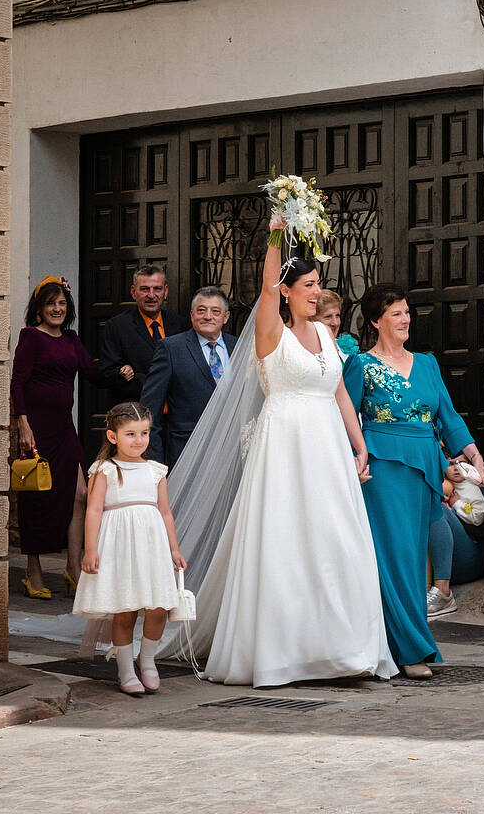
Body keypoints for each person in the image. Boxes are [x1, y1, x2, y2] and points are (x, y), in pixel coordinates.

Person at [169, 217, 397, 687]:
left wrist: (360, 446)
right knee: (288, 542)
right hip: (285, 447)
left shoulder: (328, 337)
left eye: (319, 285)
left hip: (328, 448)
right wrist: (275, 232)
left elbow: (338, 394)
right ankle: (285, 653)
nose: (318, 293)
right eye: (310, 285)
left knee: (339, 542)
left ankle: (343, 648)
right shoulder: (271, 332)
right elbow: (267, 290)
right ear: (288, 291)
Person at [346, 283, 484, 676]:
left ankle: (405, 643)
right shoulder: (361, 365)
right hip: (383, 468)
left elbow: (449, 415)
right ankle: (411, 650)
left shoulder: (427, 363)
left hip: (426, 466)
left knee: (414, 559)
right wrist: (353, 460)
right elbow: (344, 418)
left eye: (407, 311)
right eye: (396, 313)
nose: (406, 318)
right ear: (376, 321)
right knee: (394, 558)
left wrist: (475, 455)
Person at [72, 402, 185, 696]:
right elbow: (94, 511)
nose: (139, 440)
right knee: (126, 609)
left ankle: (147, 660)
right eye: (131, 434)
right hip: (119, 546)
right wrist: (90, 549)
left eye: (144, 433)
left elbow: (165, 513)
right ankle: (125, 669)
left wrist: (174, 549)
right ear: (113, 437)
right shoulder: (105, 470)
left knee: (158, 607)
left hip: (152, 546)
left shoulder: (155, 471)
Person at [12, 276, 98, 599]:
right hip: (35, 428)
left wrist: (124, 371)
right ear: (39, 309)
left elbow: (91, 372)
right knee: (35, 497)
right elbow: (17, 382)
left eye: (62, 304)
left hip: (64, 427)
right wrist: (22, 423)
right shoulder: (31, 338)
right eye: (51, 304)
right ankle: (33, 572)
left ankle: (73, 568)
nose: (57, 309)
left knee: (79, 493)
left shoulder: (72, 340)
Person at [140, 287, 237, 469]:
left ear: (225, 317)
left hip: (232, 451)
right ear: (192, 315)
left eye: (215, 311)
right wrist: (156, 462)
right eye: (201, 310)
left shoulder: (239, 347)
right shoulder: (170, 348)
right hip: (187, 451)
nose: (208, 316)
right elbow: (150, 410)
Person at [98, 265, 187, 403]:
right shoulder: (116, 327)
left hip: (176, 415)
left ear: (166, 291)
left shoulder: (181, 325)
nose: (151, 295)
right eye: (144, 289)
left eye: (157, 288)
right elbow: (107, 374)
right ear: (133, 292)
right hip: (137, 415)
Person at [427, 462, 484, 620]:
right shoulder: (442, 482)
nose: (456, 468)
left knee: (436, 509)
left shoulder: (472, 485)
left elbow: (479, 520)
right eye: (450, 463)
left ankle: (443, 592)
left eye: (461, 464)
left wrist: (456, 504)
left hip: (469, 559)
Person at [317, 289, 360, 360]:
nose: (335, 323)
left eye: (337, 316)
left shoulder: (344, 347)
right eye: (328, 317)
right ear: (312, 319)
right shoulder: (304, 350)